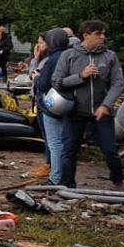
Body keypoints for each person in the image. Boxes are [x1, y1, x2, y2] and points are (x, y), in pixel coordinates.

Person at [52, 20, 124, 189]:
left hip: (102, 112)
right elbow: (57, 81)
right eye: (98, 34)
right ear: (86, 35)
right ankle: (67, 186)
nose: (103, 37)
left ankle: (118, 179)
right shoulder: (68, 55)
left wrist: (106, 105)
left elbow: (118, 83)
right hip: (75, 111)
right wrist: (80, 76)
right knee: (69, 150)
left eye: (104, 33)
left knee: (110, 150)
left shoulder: (109, 56)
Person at [34, 28, 70, 185]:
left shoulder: (52, 59)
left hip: (52, 103)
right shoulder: (71, 55)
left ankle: (55, 178)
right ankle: (66, 177)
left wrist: (36, 77)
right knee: (65, 143)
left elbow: (43, 83)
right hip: (70, 103)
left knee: (54, 143)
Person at [29, 34, 51, 179]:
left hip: (46, 101)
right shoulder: (42, 59)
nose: (38, 46)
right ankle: (48, 164)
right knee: (46, 136)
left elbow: (35, 76)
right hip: (39, 100)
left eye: (41, 43)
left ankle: (50, 165)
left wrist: (35, 61)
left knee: (50, 136)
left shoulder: (48, 61)